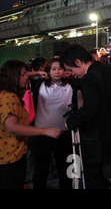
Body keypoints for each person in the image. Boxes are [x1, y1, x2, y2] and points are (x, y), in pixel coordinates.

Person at [60, 44, 111, 189]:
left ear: (78, 62)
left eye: (71, 70)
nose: (73, 74)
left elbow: (90, 108)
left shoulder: (88, 78)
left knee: (93, 179)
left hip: (96, 140)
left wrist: (71, 121)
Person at [0, 60, 62, 189]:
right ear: (13, 76)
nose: (25, 78)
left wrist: (37, 73)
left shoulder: (12, 95)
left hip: (15, 154)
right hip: (9, 157)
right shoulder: (8, 97)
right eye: (23, 75)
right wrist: (45, 131)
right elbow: (12, 126)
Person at [29, 58, 74, 189]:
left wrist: (71, 74)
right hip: (41, 133)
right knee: (40, 170)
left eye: (60, 69)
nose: (57, 72)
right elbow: (18, 75)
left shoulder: (72, 84)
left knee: (65, 169)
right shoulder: (39, 84)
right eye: (53, 69)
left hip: (63, 133)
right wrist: (36, 74)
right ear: (48, 71)